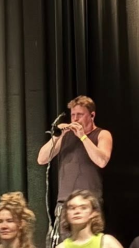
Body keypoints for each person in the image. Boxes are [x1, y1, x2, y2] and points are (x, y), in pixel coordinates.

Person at [37, 96, 114, 227]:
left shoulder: (102, 134)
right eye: (73, 115)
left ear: (92, 115)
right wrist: (57, 136)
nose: (75, 119)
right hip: (65, 202)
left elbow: (102, 161)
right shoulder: (65, 136)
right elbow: (41, 159)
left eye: (80, 115)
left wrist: (82, 136)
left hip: (89, 203)